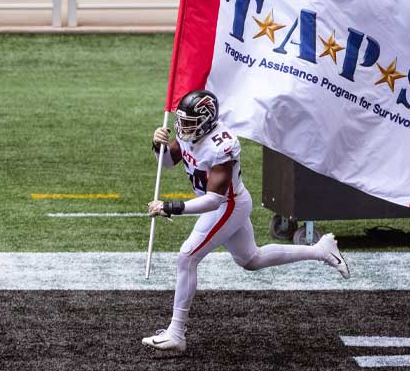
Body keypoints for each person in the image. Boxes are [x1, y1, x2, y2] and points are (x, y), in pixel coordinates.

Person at [142, 89, 350, 353]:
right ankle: (320, 251)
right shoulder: (190, 133)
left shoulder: (221, 145)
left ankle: (176, 332)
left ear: (206, 121)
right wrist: (157, 144)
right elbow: (168, 162)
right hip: (223, 205)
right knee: (251, 259)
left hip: (228, 205)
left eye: (189, 122)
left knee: (187, 257)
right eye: (181, 121)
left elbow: (213, 201)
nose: (182, 128)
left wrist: (170, 207)